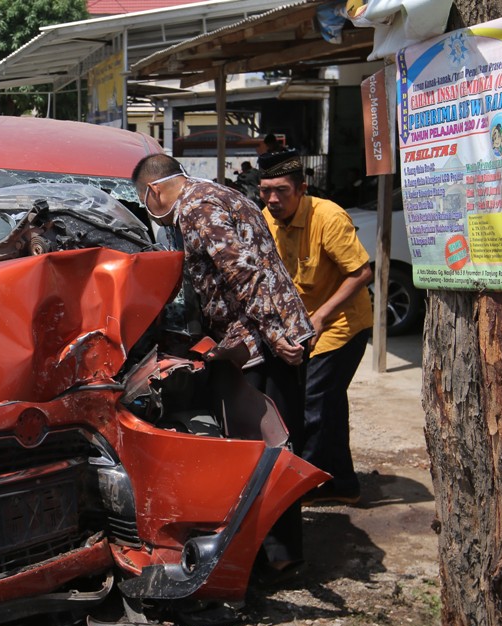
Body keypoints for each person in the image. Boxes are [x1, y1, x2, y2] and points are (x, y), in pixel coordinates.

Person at [132, 153, 315, 578]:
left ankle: (280, 558)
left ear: (154, 191)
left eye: (146, 204)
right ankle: (277, 549)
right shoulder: (221, 193)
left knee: (266, 447)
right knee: (277, 441)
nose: (153, 214)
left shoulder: (195, 208)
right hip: (273, 330)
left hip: (262, 341)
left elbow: (241, 272)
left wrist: (274, 334)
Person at [257, 148, 374, 505]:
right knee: (328, 406)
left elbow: (361, 272)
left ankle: (301, 485)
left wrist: (321, 316)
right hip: (302, 327)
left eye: (282, 191)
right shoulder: (265, 218)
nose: (273, 199)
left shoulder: (329, 217)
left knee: (314, 404)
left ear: (302, 189)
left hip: (340, 325)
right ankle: (344, 484)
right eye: (265, 191)